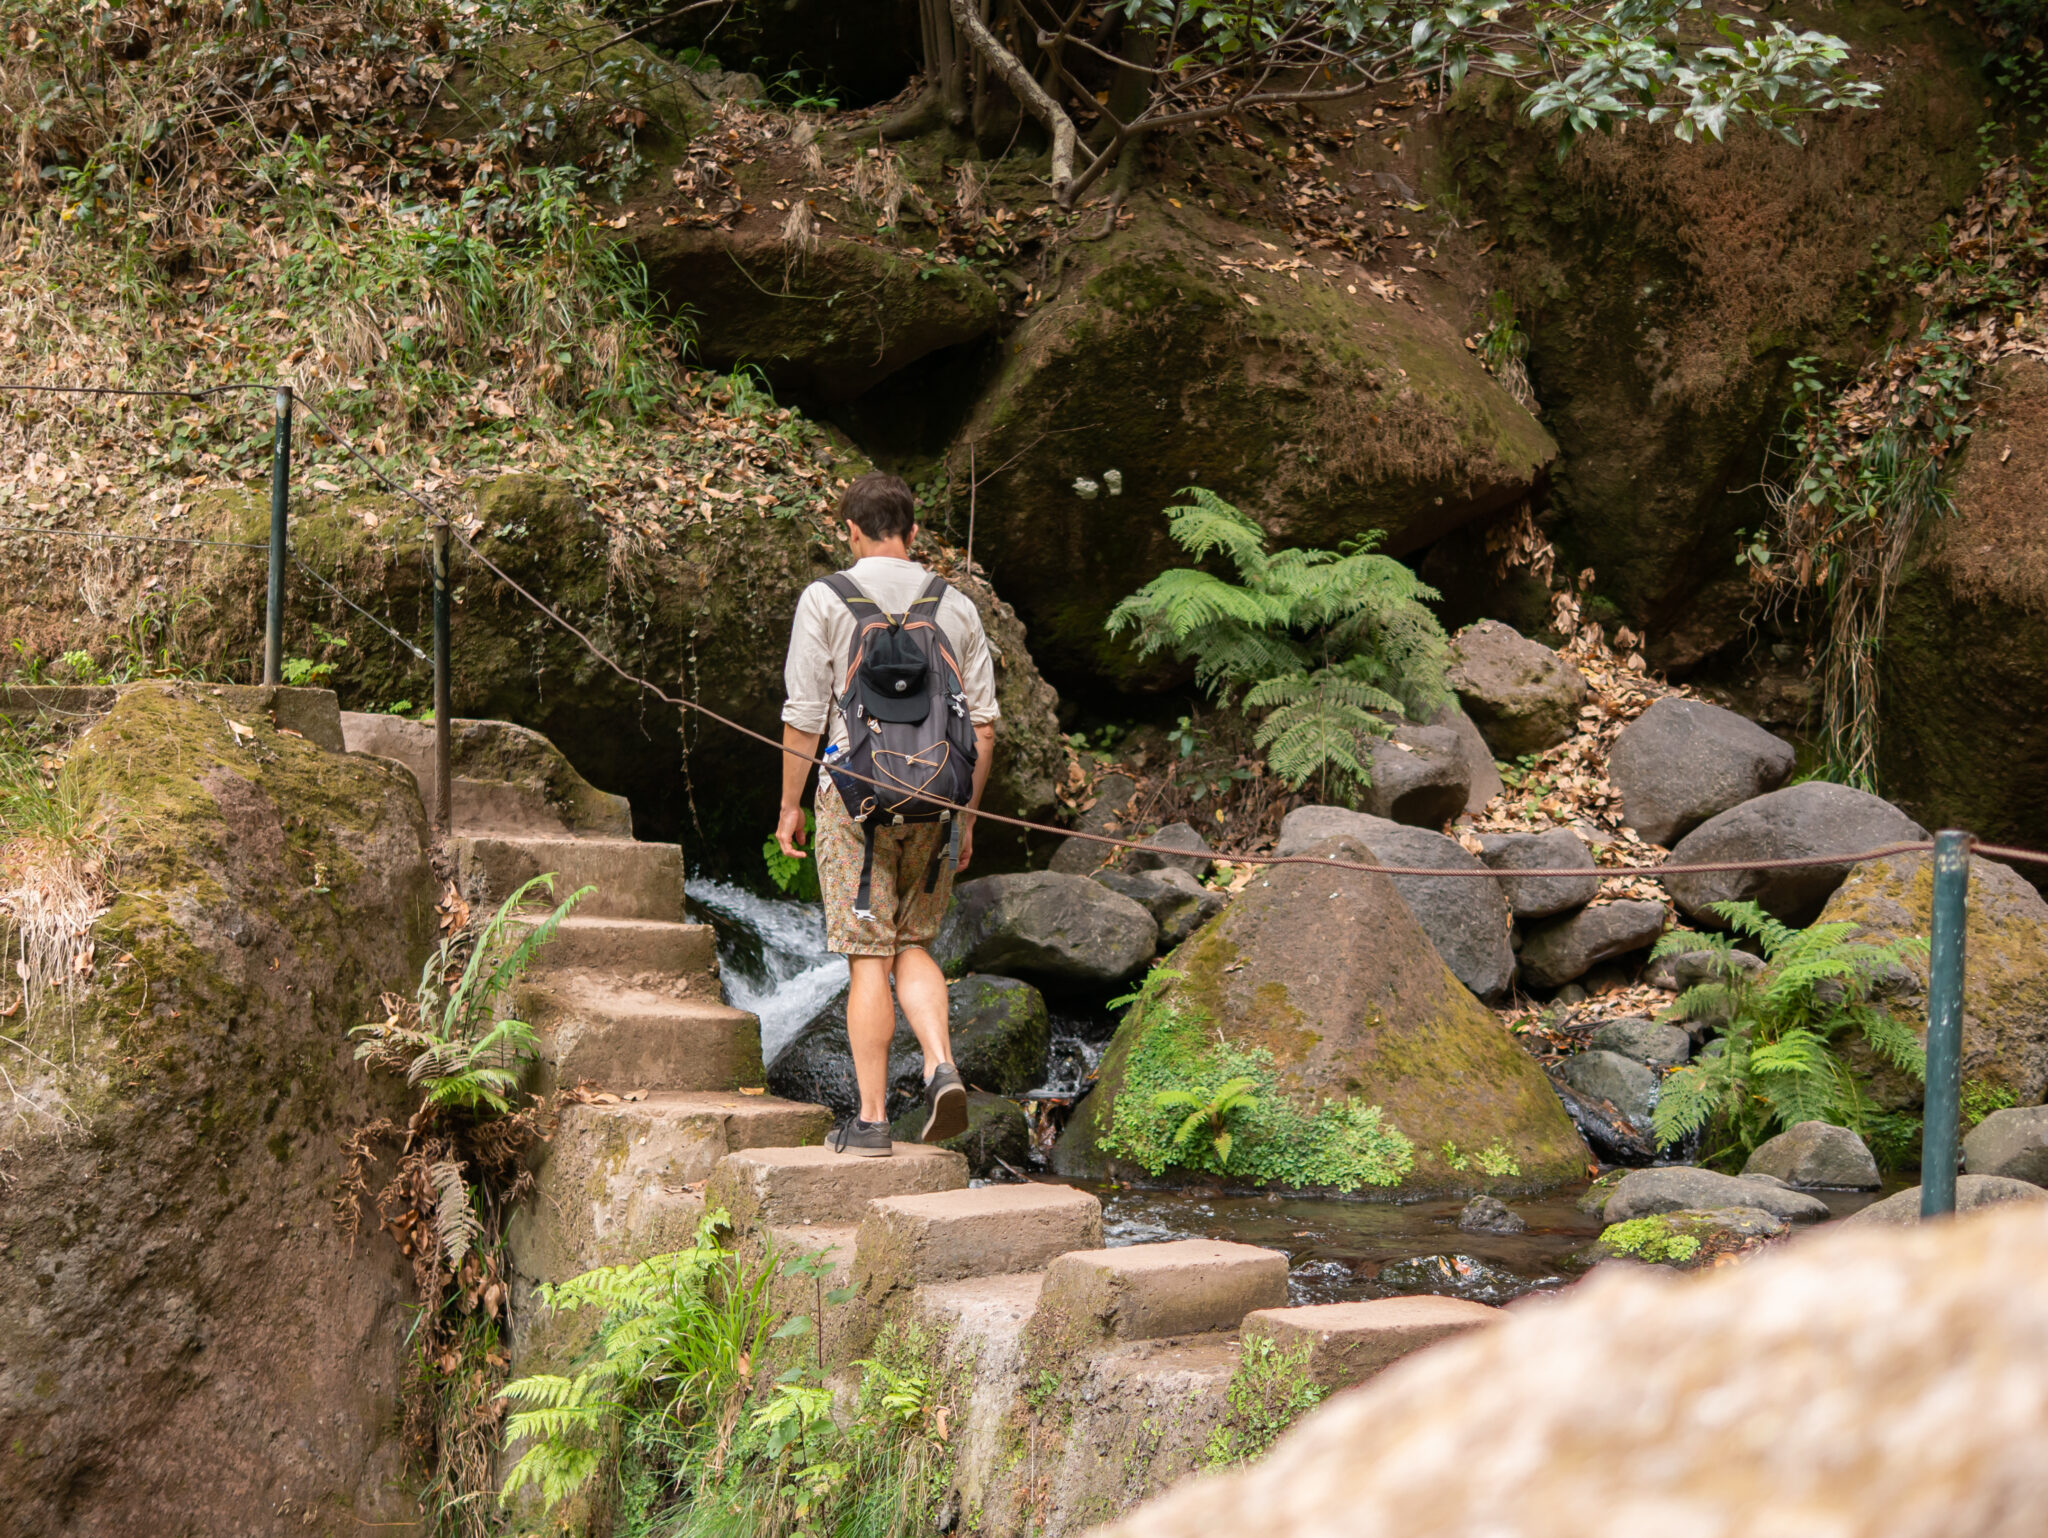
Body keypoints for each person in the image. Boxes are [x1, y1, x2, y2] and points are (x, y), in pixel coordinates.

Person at [776, 472, 999, 1156]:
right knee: (915, 945)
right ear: (912, 528)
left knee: (868, 953)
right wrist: (968, 815)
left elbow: (805, 717)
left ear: (851, 529)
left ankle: (872, 1122)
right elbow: (984, 725)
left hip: (854, 808)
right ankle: (939, 1063)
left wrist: (790, 805)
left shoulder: (826, 598)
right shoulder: (953, 605)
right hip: (935, 806)